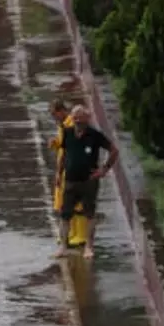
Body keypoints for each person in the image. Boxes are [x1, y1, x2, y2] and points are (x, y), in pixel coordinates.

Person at [54, 105, 118, 259]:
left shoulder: (94, 135)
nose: (77, 120)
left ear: (87, 118)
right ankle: (63, 246)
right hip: (70, 180)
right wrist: (59, 173)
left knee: (89, 214)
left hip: (88, 181)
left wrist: (104, 169)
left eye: (80, 117)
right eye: (75, 117)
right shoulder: (67, 133)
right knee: (65, 215)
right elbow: (64, 155)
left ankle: (89, 247)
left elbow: (114, 150)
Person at [48, 98, 87, 249]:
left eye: (54, 114)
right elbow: (62, 144)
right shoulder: (64, 125)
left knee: (76, 203)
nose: (54, 118)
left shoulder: (71, 126)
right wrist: (55, 143)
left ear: (61, 111)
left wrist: (59, 173)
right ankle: (71, 233)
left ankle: (80, 235)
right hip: (66, 168)